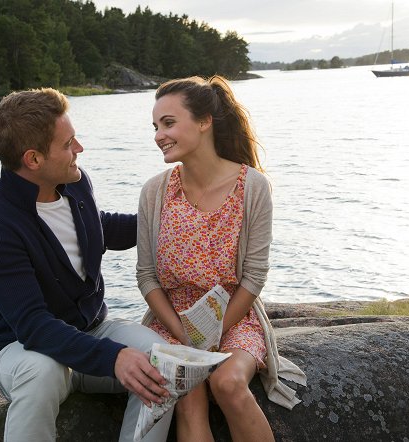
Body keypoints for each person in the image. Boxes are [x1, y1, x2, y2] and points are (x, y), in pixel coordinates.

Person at [0, 87, 173, 442]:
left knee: (163, 362)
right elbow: (31, 324)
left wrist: (171, 221)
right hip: (25, 349)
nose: (79, 149)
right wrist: (113, 358)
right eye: (69, 143)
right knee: (41, 372)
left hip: (93, 331)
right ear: (33, 159)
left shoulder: (74, 183)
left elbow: (97, 227)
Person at [137, 76, 306, 442]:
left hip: (234, 318)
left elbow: (254, 277)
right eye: (155, 126)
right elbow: (147, 277)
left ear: (204, 121)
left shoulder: (253, 187)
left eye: (168, 123)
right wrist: (184, 333)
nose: (158, 135)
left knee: (227, 382)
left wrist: (214, 336)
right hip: (170, 323)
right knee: (189, 393)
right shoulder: (155, 191)